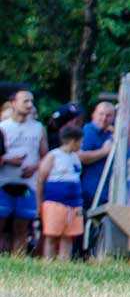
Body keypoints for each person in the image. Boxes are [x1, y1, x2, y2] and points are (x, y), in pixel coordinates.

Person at [0, 88, 46, 256]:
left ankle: (18, 260)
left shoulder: (38, 128)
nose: (29, 104)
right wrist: (8, 160)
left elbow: (45, 156)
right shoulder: (3, 127)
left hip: (27, 184)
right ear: (13, 103)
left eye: (31, 101)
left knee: (22, 226)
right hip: (3, 182)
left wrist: (34, 167)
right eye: (25, 101)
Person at [34, 123, 86, 260]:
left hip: (74, 203)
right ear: (73, 141)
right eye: (81, 141)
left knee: (69, 235)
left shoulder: (76, 157)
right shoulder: (54, 156)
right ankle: (49, 261)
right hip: (55, 202)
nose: (82, 144)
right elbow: (40, 179)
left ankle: (64, 261)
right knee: (51, 235)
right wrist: (39, 202)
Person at [78, 99, 114, 216]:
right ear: (93, 114)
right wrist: (104, 152)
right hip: (89, 191)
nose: (104, 118)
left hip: (107, 192)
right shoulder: (88, 131)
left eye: (108, 115)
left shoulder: (112, 134)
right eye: (101, 114)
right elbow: (81, 157)